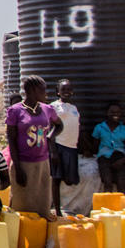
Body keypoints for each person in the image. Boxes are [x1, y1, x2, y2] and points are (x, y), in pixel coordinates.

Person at [5, 75, 63, 221]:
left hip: (42, 163)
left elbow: (59, 125)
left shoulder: (47, 109)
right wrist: (18, 168)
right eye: (42, 90)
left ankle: (41, 239)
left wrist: (49, 137)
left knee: (42, 205)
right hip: (23, 163)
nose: (46, 94)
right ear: (31, 91)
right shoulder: (15, 111)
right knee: (23, 206)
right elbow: (11, 140)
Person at [48, 79, 81, 216]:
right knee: (56, 179)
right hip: (59, 146)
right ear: (58, 92)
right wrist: (53, 151)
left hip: (71, 147)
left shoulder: (74, 108)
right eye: (63, 90)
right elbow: (50, 130)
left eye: (69, 89)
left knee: (69, 179)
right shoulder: (54, 107)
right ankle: (57, 209)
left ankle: (62, 206)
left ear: (72, 91)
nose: (66, 92)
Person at [91, 102, 125, 194]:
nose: (115, 114)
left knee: (121, 183)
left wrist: (122, 161)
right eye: (112, 112)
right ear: (107, 113)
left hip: (119, 158)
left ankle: (123, 207)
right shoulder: (99, 128)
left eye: (118, 112)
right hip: (104, 158)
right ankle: (108, 207)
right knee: (107, 183)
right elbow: (95, 146)